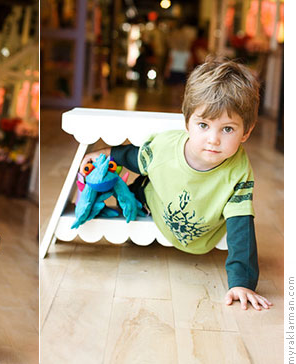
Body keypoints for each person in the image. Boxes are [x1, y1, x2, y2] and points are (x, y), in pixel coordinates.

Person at [80, 58, 273, 311]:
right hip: (154, 201)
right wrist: (108, 153)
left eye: (227, 129)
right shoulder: (165, 147)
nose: (213, 139)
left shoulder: (238, 172)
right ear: (187, 123)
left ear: (246, 132)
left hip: (204, 230)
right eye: (203, 125)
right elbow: (135, 157)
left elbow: (242, 227)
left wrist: (243, 282)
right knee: (137, 186)